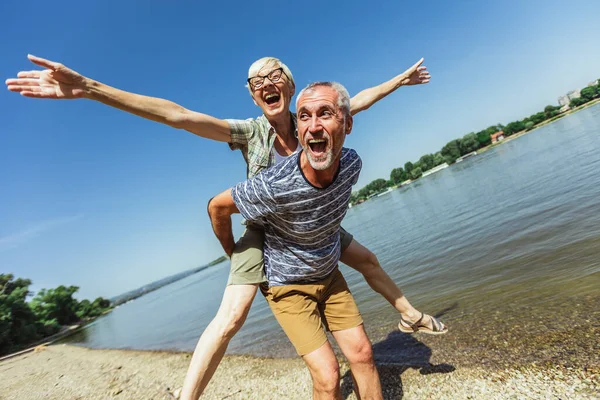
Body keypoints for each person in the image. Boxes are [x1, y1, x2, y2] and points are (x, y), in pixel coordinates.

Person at [6, 55, 446, 399]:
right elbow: (177, 115)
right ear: (253, 97)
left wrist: (397, 82)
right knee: (231, 317)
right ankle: (189, 395)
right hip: (263, 227)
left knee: (367, 259)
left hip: (310, 222)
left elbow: (358, 100)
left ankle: (408, 315)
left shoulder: (311, 121)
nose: (265, 84)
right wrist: (91, 88)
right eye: (256, 83)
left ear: (290, 88)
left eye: (274, 76)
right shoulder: (249, 132)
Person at [208, 81, 381, 399]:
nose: (314, 126)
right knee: (328, 376)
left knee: (363, 355)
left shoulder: (351, 165)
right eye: (304, 116)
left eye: (325, 114)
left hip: (329, 276)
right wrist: (232, 251)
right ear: (297, 128)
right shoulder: (275, 184)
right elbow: (217, 206)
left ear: (348, 123)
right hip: (288, 287)